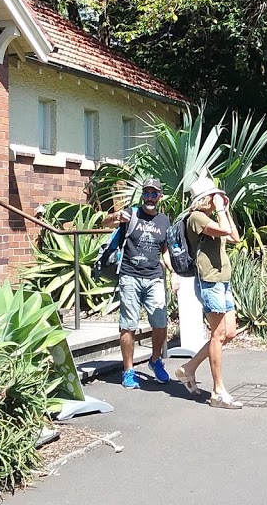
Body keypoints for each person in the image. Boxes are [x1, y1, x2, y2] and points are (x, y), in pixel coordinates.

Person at [174, 175, 242, 409]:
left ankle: (188, 368)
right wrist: (222, 210)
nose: (219, 198)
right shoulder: (197, 218)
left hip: (224, 281)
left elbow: (234, 236)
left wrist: (226, 210)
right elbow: (223, 230)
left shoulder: (212, 216)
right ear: (205, 199)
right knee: (218, 333)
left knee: (229, 332)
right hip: (209, 281)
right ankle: (217, 391)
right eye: (215, 195)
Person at [101, 178, 173, 390]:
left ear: (160, 196)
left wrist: (174, 273)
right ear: (143, 195)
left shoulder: (164, 221)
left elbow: (166, 250)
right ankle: (129, 370)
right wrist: (115, 216)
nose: (150, 198)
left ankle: (155, 360)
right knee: (128, 324)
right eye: (146, 193)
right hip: (130, 276)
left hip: (154, 277)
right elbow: (105, 223)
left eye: (154, 194)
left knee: (160, 322)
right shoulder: (131, 214)